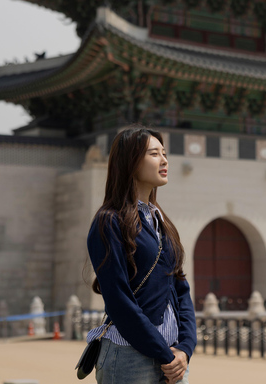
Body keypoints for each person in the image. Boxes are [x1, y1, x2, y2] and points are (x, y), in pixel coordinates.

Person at [87, 125, 196, 383]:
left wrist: (185, 349)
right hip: (129, 356)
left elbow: (180, 288)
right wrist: (164, 354)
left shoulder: (162, 223)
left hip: (173, 358)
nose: (164, 160)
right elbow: (118, 300)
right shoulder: (109, 221)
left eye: (165, 153)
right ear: (130, 162)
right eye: (154, 154)